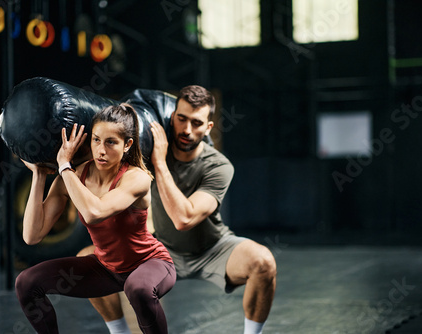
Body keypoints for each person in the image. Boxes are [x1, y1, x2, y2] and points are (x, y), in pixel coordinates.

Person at [80, 85, 277, 334]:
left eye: (196, 123)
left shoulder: (218, 165)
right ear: (172, 117)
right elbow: (108, 138)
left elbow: (185, 218)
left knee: (263, 262)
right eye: (181, 119)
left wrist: (160, 164)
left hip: (211, 248)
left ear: (208, 127)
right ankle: (119, 332)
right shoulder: (146, 150)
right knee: (87, 259)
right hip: (158, 248)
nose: (186, 130)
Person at [15, 104, 176, 334]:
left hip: (150, 264)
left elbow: (95, 212)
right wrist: (39, 175)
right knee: (26, 282)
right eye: (96, 140)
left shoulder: (136, 178)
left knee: (137, 288)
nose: (101, 150)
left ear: (127, 144)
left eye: (111, 142)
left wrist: (64, 166)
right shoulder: (74, 175)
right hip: (106, 268)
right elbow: (32, 235)